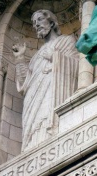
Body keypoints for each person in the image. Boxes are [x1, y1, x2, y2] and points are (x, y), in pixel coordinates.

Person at [13, 10, 79, 151]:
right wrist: (19, 59)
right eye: (34, 23)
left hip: (54, 90)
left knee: (46, 117)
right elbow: (25, 84)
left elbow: (77, 66)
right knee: (35, 125)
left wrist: (54, 57)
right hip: (33, 97)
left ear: (51, 22)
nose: (36, 25)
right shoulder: (36, 56)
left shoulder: (67, 41)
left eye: (40, 20)